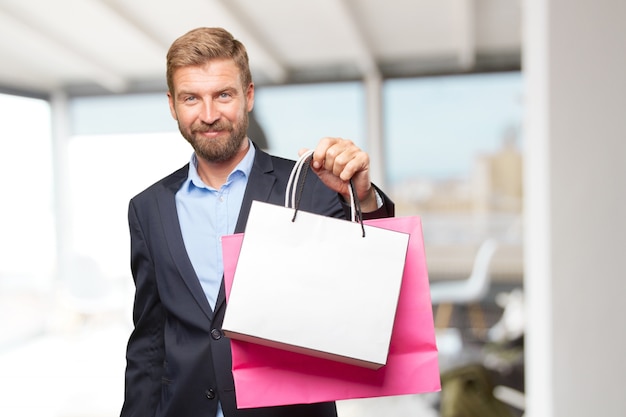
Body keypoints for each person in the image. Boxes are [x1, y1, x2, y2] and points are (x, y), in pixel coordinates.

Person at [120, 27, 394, 417]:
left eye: (223, 95)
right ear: (172, 104)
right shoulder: (148, 208)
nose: (209, 115)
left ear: (248, 96)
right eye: (191, 98)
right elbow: (149, 342)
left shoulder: (311, 188)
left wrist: (362, 199)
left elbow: (378, 286)